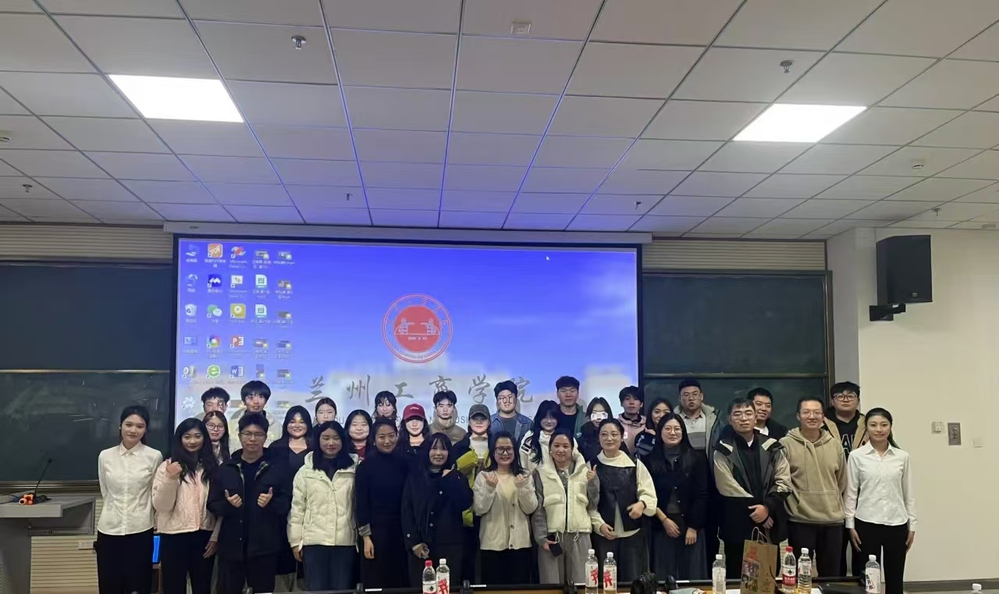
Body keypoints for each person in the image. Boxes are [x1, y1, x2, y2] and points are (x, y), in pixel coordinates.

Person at [208, 412, 291, 594]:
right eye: (247, 434)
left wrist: (271, 503)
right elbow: (212, 504)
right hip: (231, 548)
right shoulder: (227, 468)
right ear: (239, 436)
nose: (252, 439)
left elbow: (286, 504)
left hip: (264, 548)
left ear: (265, 437)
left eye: (258, 434)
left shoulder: (278, 468)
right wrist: (228, 505)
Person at [713, 399, 791, 578]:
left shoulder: (772, 446)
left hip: (769, 522)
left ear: (756, 417)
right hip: (736, 522)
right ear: (729, 419)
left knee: (767, 577)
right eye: (737, 414)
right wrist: (759, 510)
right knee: (737, 576)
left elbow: (784, 480)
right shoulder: (723, 449)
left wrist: (768, 507)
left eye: (748, 413)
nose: (743, 418)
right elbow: (726, 486)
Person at [845, 408, 916, 594]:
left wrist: (912, 525)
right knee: (869, 580)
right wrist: (850, 525)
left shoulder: (902, 457)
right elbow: (851, 493)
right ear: (866, 428)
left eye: (884, 425)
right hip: (866, 523)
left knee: (895, 578)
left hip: (897, 523)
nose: (879, 429)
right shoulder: (856, 456)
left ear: (890, 427)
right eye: (873, 425)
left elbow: (908, 493)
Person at [96, 405, 163, 594]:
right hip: (109, 530)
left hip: (140, 529)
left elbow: (154, 493)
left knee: (139, 586)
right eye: (129, 424)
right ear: (120, 426)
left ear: (145, 429)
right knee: (110, 585)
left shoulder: (154, 456)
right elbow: (105, 492)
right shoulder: (105, 456)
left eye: (139, 426)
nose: (133, 430)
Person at [780, 396, 846, 578]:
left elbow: (841, 481)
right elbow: (782, 481)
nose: (812, 416)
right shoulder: (785, 444)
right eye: (807, 412)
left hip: (832, 520)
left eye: (817, 413)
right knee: (800, 576)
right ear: (798, 416)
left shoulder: (835, 445)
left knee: (831, 576)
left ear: (823, 417)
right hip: (800, 519)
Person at [288, 421, 358, 591]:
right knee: (317, 589)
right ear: (317, 440)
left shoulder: (355, 469)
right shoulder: (305, 471)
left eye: (336, 438)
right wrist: (295, 541)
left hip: (345, 542)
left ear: (343, 440)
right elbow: (297, 508)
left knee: (342, 590)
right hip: (314, 542)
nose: (331, 443)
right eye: (326, 438)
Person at [153, 418, 220, 594]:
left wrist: (215, 536)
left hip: (204, 537)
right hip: (173, 537)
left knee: (202, 587)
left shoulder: (212, 467)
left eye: (197, 436)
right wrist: (170, 478)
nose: (192, 441)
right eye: (187, 436)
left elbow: (219, 506)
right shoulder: (167, 466)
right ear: (179, 439)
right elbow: (162, 506)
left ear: (204, 438)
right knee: (173, 588)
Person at [401, 433, 474, 586]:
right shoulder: (415, 478)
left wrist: (450, 480)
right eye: (434, 448)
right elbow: (407, 511)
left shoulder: (457, 477)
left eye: (443, 449)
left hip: (449, 546)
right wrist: (414, 542)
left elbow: (464, 504)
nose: (439, 453)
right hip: (421, 546)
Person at [591, 418, 657, 583]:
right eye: (604, 434)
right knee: (606, 583)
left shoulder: (635, 465)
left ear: (621, 437)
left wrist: (641, 504)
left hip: (633, 536)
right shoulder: (591, 466)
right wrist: (599, 524)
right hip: (604, 536)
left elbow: (649, 494)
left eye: (614, 434)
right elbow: (587, 504)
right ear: (598, 438)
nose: (609, 438)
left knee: (633, 583)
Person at [645, 413, 708, 581]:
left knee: (692, 574)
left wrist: (693, 526)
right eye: (667, 428)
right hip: (661, 524)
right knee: (663, 574)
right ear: (660, 432)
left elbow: (702, 494)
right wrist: (664, 520)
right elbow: (647, 494)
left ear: (683, 432)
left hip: (691, 524)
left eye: (677, 429)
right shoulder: (649, 460)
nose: (672, 432)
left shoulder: (697, 458)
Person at [532, 428, 599, 585]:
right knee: (551, 584)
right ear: (550, 449)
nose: (560, 450)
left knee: (581, 584)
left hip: (579, 535)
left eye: (565, 446)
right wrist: (541, 538)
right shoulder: (540, 473)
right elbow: (538, 509)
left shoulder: (586, 471)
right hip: (552, 538)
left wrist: (593, 483)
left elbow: (593, 504)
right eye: (556, 446)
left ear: (572, 449)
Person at [473, 431, 539, 584]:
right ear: (493, 451)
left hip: (520, 544)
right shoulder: (484, 476)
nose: (505, 453)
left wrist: (523, 488)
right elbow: (479, 509)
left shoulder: (525, 475)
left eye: (509, 449)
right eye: (500, 449)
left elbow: (530, 508)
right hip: (491, 545)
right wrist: (489, 488)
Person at [355, 418, 410, 588]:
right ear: (373, 439)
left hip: (402, 533)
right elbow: (361, 504)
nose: (387, 441)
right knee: (376, 582)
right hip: (375, 535)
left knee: (401, 583)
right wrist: (366, 538)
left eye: (391, 436)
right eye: (381, 437)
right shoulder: (365, 467)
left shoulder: (406, 463)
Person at [268, 406, 314, 588]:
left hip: (310, 508)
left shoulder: (316, 447)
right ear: (286, 423)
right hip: (281, 507)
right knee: (282, 553)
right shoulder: (275, 448)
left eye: (302, 421)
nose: (297, 425)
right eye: (292, 421)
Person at [228, 381, 280, 451]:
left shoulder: (276, 426)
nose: (256, 402)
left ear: (266, 401)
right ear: (244, 401)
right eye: (251, 397)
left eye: (261, 397)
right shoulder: (231, 425)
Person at [826, 381, 867, 456]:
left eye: (850, 396)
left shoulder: (867, 423)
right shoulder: (821, 425)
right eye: (840, 396)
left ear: (858, 401)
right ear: (832, 401)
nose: (845, 400)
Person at [677, 380, 719, 453]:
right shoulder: (674, 420)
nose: (691, 398)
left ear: (701, 396)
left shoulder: (713, 419)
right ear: (680, 398)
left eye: (695, 394)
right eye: (686, 395)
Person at [519, 400, 560, 473]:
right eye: (545, 417)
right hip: (534, 478)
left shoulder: (564, 436)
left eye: (552, 418)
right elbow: (523, 460)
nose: (549, 421)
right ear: (539, 417)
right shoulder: (530, 437)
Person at [490, 380, 531, 445]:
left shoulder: (527, 424)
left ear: (516, 399)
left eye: (510, 397)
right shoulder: (489, 423)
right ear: (497, 401)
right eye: (502, 398)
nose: (506, 401)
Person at [578, 397, 612, 464]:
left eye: (602, 414)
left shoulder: (615, 434)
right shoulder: (583, 437)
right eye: (595, 413)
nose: (598, 418)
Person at [617, 385, 645, 455]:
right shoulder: (615, 424)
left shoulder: (648, 424)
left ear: (641, 404)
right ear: (621, 403)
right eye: (627, 399)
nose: (631, 402)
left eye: (635, 399)